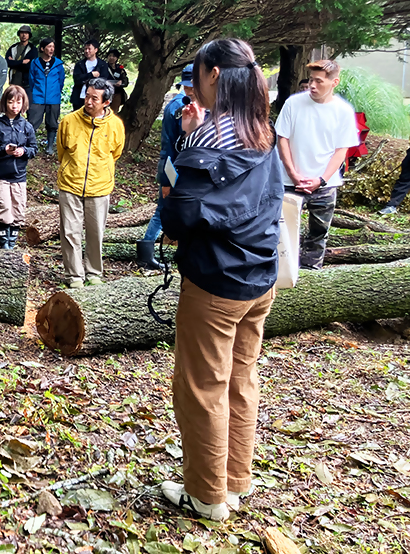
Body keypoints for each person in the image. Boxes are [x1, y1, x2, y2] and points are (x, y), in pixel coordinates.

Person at [159, 38, 285, 522]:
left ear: (214, 75)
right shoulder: (262, 130)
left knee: (201, 385)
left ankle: (207, 496)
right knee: (241, 378)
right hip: (259, 277)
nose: (192, 84)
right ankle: (235, 481)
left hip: (215, 282)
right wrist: (196, 128)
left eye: (195, 74)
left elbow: (181, 213)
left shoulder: (208, 139)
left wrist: (186, 138)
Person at [275, 59, 359, 269]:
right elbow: (282, 138)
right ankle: (281, 271)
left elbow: (342, 150)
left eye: (319, 81)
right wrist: (293, 173)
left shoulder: (343, 111)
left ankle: (312, 270)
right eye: (311, 80)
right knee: (282, 231)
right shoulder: (293, 103)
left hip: (325, 183)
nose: (312, 85)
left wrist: (321, 180)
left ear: (334, 82)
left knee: (319, 232)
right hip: (288, 180)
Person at [56, 78, 125, 287]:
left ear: (106, 102)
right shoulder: (69, 121)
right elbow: (61, 151)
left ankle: (94, 272)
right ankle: (74, 276)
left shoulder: (115, 125)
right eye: (87, 96)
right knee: (70, 232)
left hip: (100, 186)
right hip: (70, 183)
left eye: (94, 98)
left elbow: (116, 153)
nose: (88, 101)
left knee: (96, 233)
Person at [138, 65, 195, 270]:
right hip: (175, 167)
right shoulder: (181, 106)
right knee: (163, 210)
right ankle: (146, 253)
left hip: (177, 165)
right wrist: (166, 180)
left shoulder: (180, 103)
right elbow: (172, 146)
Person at [0, 85, 37, 249]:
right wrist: (3, 150)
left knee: (18, 211)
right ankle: (3, 244)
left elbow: (34, 148)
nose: (14, 106)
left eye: (18, 102)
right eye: (11, 102)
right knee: (4, 209)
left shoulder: (26, 126)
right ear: (4, 103)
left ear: (23, 104)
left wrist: (24, 151)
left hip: (19, 175)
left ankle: (11, 243)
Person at [28, 37, 67, 154]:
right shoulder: (35, 63)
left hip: (53, 98)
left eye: (53, 47)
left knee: (52, 123)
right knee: (33, 122)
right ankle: (31, 145)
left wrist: (55, 92)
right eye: (49, 46)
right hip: (37, 97)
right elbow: (31, 80)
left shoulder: (58, 64)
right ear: (42, 48)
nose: (51, 49)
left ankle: (49, 147)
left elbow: (61, 80)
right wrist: (36, 91)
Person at [70, 40, 110, 111]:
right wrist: (90, 75)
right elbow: (77, 79)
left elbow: (104, 80)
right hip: (80, 97)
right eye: (85, 49)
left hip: (96, 98)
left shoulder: (103, 65)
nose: (87, 51)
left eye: (89, 49)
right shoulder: (79, 64)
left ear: (96, 50)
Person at [5, 25, 36, 98]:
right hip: (14, 81)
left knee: (26, 105)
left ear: (29, 35)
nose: (24, 35)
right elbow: (7, 63)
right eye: (22, 33)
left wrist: (14, 62)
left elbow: (29, 66)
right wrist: (22, 62)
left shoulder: (32, 49)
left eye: (26, 33)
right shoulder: (13, 48)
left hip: (27, 83)